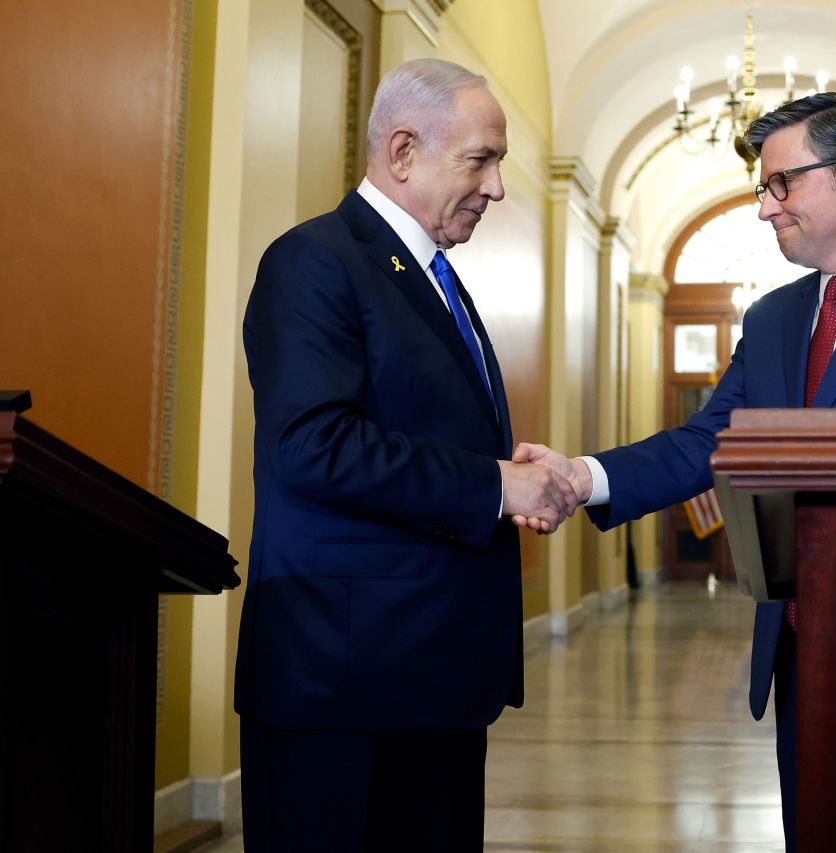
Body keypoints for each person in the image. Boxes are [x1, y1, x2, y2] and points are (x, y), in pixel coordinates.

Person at [515, 93, 836, 850]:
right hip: (802, 651)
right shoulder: (772, 319)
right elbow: (706, 441)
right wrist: (580, 475)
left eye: (780, 184)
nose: (765, 208)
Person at [234, 58, 577, 852]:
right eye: (480, 160)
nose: (496, 187)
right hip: (345, 679)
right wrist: (498, 484)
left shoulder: (433, 278)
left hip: (430, 673)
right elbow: (312, 445)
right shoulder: (316, 260)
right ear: (401, 153)